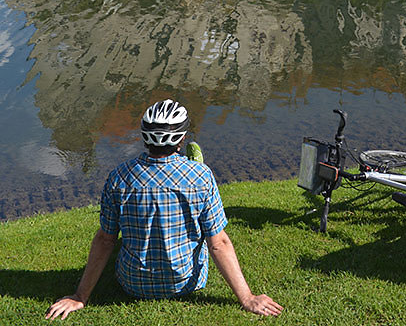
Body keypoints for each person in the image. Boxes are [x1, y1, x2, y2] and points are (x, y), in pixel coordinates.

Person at [45, 99, 282, 320]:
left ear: (144, 136)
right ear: (181, 138)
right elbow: (218, 243)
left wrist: (80, 296)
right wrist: (247, 298)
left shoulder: (119, 177)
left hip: (133, 285)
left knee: (117, 239)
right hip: (186, 284)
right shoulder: (201, 176)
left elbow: (105, 240)